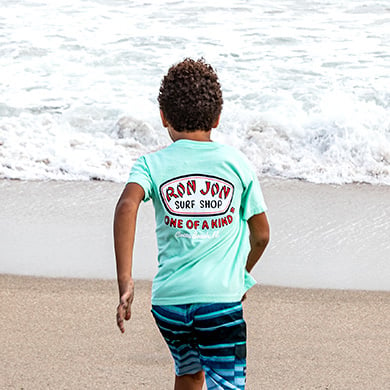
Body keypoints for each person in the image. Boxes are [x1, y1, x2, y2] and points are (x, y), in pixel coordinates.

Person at [114, 58, 269, 390]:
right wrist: (240, 276)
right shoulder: (237, 164)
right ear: (217, 118)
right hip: (221, 301)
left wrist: (126, 281)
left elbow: (127, 205)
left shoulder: (150, 164)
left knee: (189, 372)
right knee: (225, 384)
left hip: (169, 304)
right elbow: (262, 234)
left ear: (163, 117)